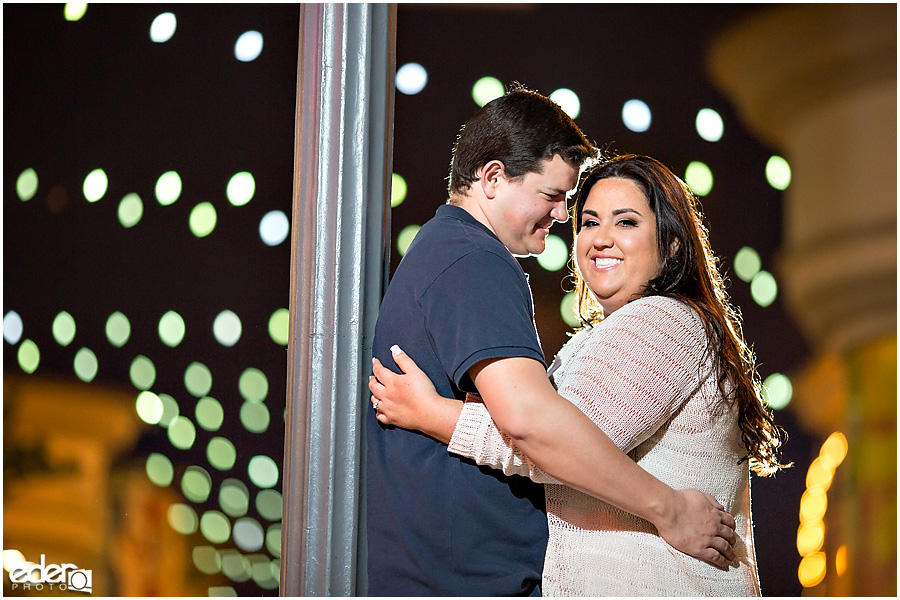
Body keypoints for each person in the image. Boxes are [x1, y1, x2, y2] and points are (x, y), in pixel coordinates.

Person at [366, 86, 738, 597]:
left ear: (671, 245)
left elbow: (544, 430)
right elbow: (536, 428)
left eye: (625, 222)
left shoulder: (660, 321)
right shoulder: (477, 261)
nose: (565, 218)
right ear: (493, 178)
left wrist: (435, 414)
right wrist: (669, 509)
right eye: (557, 199)